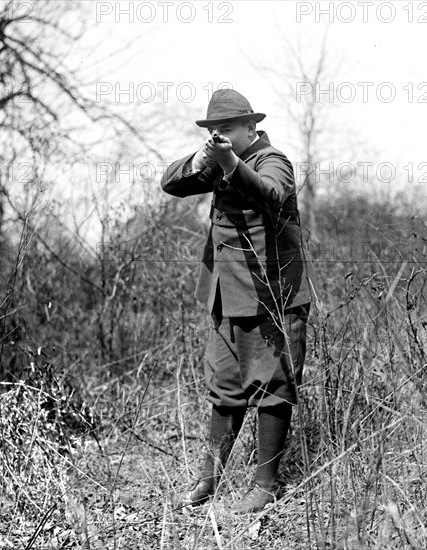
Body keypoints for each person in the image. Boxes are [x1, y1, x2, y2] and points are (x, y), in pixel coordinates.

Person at [161, 88, 316, 514]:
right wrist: (200, 160)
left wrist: (229, 161)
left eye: (225, 129)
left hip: (271, 296)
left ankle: (266, 486)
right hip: (225, 295)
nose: (218, 135)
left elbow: (270, 195)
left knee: (274, 385)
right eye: (213, 130)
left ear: (251, 127)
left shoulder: (273, 160)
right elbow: (171, 183)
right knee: (225, 386)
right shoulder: (217, 162)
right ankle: (208, 481)